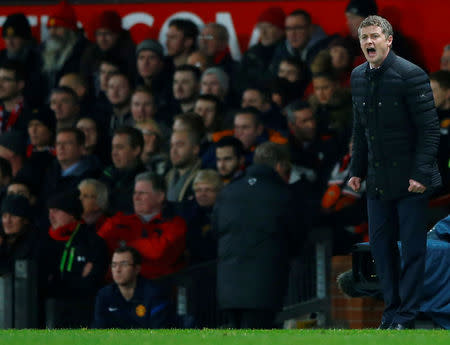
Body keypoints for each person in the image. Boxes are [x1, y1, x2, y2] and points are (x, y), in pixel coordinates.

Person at [347, 15, 441, 330]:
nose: (369, 42)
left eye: (375, 36)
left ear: (389, 40)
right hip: (377, 180)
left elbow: (429, 131)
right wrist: (356, 169)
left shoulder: (411, 75)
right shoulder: (357, 76)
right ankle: (391, 313)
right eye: (364, 38)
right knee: (380, 248)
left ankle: (407, 316)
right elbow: (360, 129)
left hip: (412, 181)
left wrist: (420, 174)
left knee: (412, 250)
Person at [213, 142, 307, 329]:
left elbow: (216, 230)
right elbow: (296, 235)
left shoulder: (229, 191)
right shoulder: (282, 195)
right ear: (280, 165)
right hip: (264, 285)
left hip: (228, 285)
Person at [98, 172, 187, 279]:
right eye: (135, 193)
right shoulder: (118, 220)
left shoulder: (175, 224)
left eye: (142, 193)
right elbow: (97, 245)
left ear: (160, 196)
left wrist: (124, 245)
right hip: (117, 287)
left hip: (160, 287)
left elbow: (158, 252)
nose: (136, 197)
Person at [92, 246, 173, 329]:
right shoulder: (104, 294)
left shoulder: (154, 294)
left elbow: (160, 335)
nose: (117, 270)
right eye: (114, 265)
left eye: (124, 264)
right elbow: (98, 332)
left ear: (137, 269)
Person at [100, 126, 146, 214]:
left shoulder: (144, 182)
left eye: (120, 147)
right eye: (113, 147)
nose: (114, 153)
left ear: (136, 150)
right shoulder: (106, 174)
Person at [166, 130, 202, 202]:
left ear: (195, 149)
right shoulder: (167, 177)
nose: (174, 151)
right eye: (171, 146)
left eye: (179, 145)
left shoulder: (203, 178)